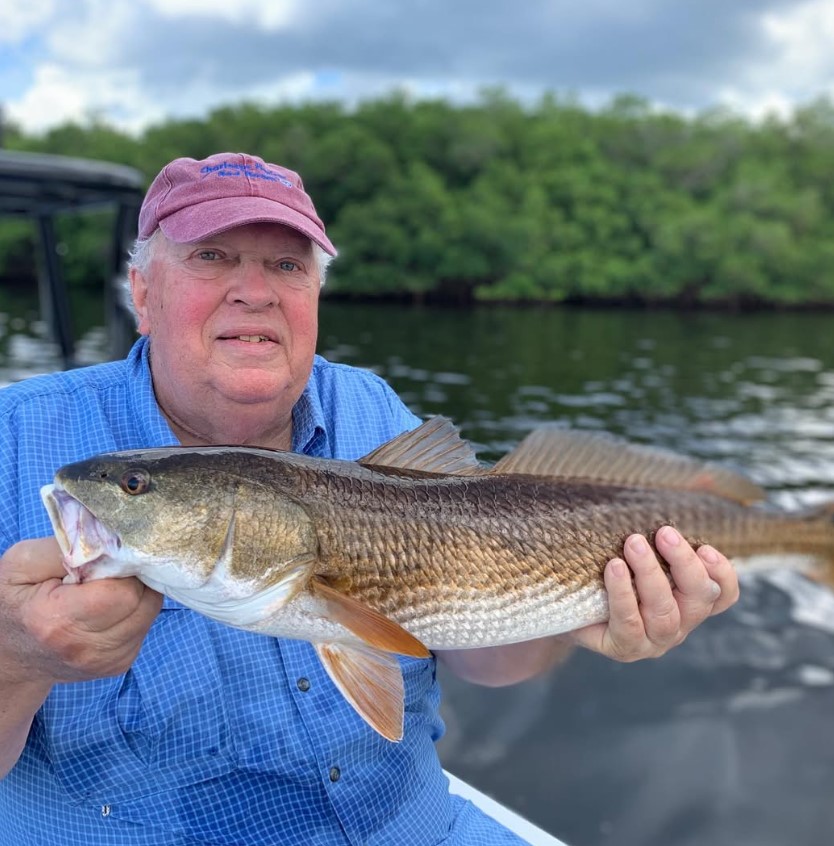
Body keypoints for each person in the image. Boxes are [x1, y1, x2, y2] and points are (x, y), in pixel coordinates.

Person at [0, 152, 739, 845]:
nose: (254, 290)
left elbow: (481, 651)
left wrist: (580, 615)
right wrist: (20, 656)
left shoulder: (373, 410)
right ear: (142, 292)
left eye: (286, 264)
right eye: (211, 256)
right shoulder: (17, 438)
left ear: (314, 295)